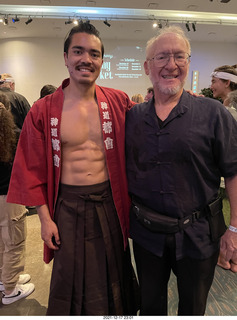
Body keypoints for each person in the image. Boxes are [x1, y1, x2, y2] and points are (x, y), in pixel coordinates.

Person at [7, 22, 139, 316]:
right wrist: (44, 219)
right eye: (78, 51)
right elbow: (31, 169)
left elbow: (150, 127)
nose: (86, 59)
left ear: (102, 61)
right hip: (66, 207)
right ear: (65, 57)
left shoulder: (117, 102)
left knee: (113, 269)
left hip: (109, 203)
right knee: (70, 275)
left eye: (94, 53)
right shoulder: (43, 109)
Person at [125, 25, 237, 315]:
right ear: (148, 66)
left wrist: (235, 227)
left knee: (193, 307)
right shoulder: (132, 118)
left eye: (179, 56)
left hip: (199, 235)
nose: (171, 65)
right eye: (162, 57)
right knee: (150, 307)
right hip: (147, 235)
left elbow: (234, 171)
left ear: (188, 63)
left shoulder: (214, 114)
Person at [0, 93, 35, 305]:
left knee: (1, 243)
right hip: (9, 199)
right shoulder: (14, 136)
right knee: (14, 242)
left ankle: (4, 279)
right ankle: (11, 289)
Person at [210, 66, 237, 271]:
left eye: (214, 81)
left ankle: (226, 255)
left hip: (231, 169)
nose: (211, 86)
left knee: (229, 210)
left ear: (227, 82)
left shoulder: (227, 111)